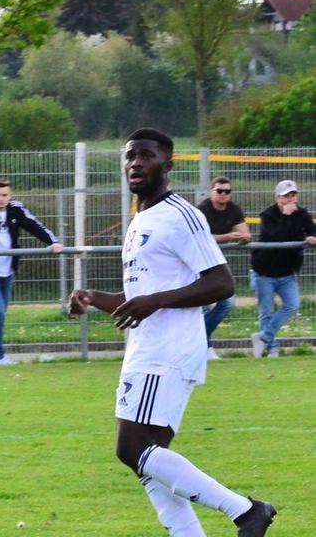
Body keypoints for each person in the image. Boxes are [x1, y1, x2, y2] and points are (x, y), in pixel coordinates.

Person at [67, 128, 276, 537]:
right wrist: (92, 296)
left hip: (168, 350)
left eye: (146, 156)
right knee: (147, 460)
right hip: (147, 348)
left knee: (132, 450)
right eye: (130, 156)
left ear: (168, 165)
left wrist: (156, 301)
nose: (136, 163)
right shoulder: (141, 218)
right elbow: (139, 297)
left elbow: (221, 283)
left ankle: (246, 511)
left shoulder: (182, 215)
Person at [0, 179, 62, 365]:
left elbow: (34, 225)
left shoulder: (16, 209)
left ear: (10, 196)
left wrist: (52, 241)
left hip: (7, 272)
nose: (1, 199)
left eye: (4, 195)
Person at [248, 180, 316, 358]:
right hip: (264, 271)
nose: (290, 199)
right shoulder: (268, 215)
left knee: (293, 305)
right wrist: (285, 215)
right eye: (286, 196)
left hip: (287, 272)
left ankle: (263, 338)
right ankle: (272, 349)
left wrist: (311, 237)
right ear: (277, 198)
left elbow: (312, 230)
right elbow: (277, 237)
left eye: (293, 195)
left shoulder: (302, 214)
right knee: (266, 311)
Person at [194, 177, 250, 359]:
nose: (223, 195)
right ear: (211, 192)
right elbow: (201, 238)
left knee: (227, 303)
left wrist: (243, 237)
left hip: (216, 264)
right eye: (219, 191)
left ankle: (199, 341)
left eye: (227, 191)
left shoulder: (234, 209)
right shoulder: (201, 211)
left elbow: (246, 234)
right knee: (200, 307)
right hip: (196, 263)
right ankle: (205, 347)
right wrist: (228, 237)